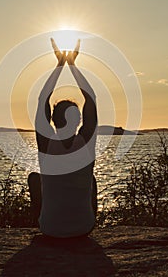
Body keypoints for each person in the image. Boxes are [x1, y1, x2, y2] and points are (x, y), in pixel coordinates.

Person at [28, 38, 98, 238]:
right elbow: (91, 98)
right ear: (79, 120)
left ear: (54, 120)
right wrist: (73, 66)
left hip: (51, 230)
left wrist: (59, 65)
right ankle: (85, 219)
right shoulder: (85, 143)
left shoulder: (47, 144)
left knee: (35, 179)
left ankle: (42, 221)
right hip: (83, 229)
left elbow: (43, 99)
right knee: (91, 180)